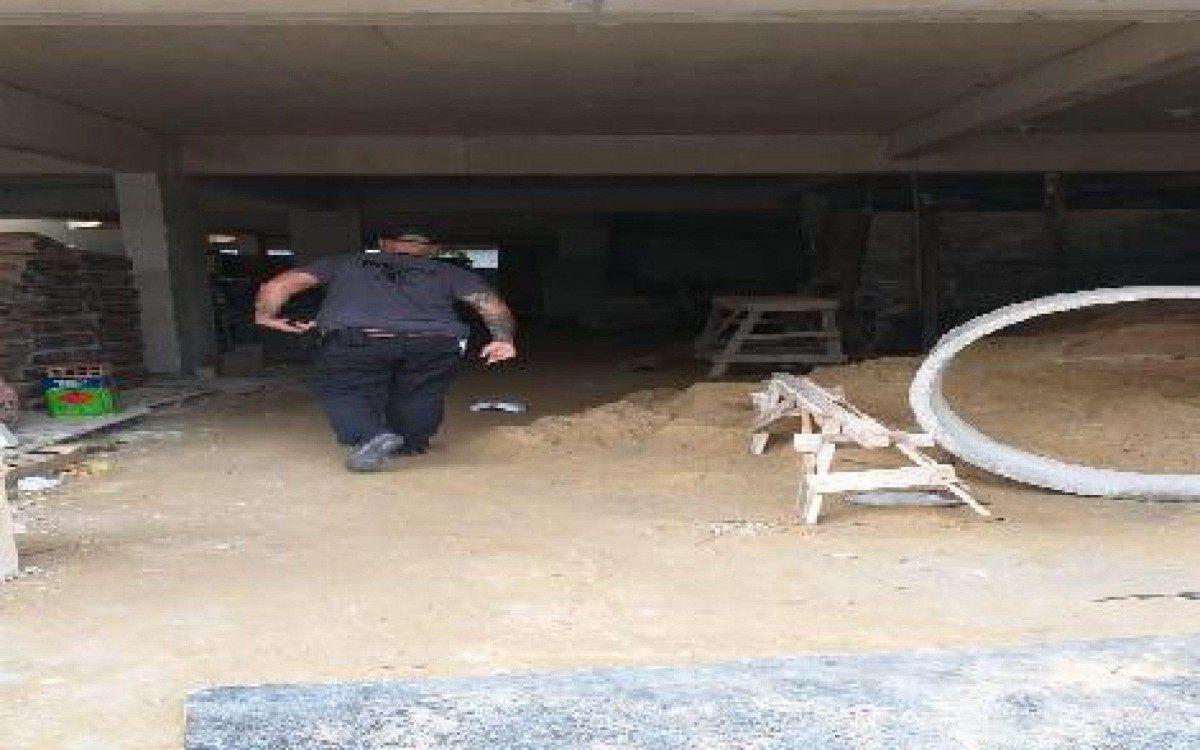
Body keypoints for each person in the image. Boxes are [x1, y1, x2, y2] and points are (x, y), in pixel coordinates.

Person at [254, 230, 517, 472]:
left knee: (343, 388)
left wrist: (266, 316)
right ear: (433, 250)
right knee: (421, 390)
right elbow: (492, 306)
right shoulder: (449, 272)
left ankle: (370, 436)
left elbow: (277, 286)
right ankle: (410, 442)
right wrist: (503, 339)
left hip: (358, 339)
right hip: (435, 342)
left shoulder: (343, 263)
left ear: (382, 244)